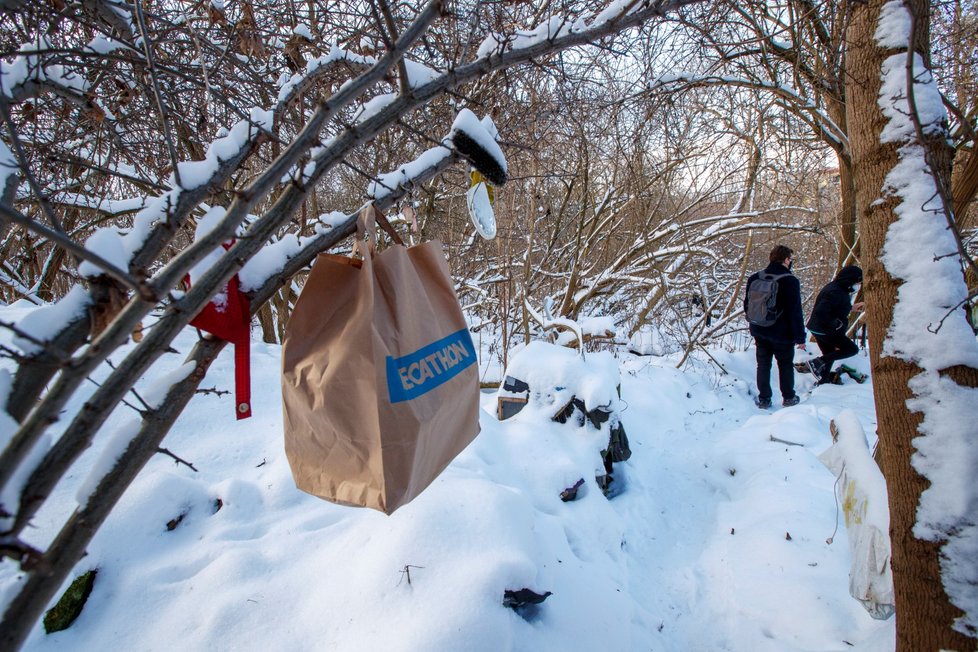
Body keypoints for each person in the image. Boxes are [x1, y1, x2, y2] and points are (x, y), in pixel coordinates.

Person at [744, 245, 806, 408]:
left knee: (763, 364)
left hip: (759, 330)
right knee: (785, 365)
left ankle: (764, 399)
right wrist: (800, 337)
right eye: (790, 259)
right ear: (786, 260)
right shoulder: (790, 281)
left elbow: (747, 305)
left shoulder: (755, 277)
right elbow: (795, 311)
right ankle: (788, 398)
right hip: (782, 334)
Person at [805, 265, 864, 385]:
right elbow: (822, 311)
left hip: (818, 328)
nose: (858, 286)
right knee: (851, 349)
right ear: (850, 279)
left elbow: (834, 307)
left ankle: (823, 380)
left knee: (830, 353)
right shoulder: (836, 291)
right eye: (857, 282)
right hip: (826, 329)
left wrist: (851, 308)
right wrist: (836, 324)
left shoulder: (837, 288)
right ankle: (816, 363)